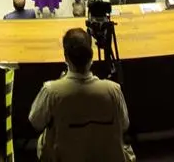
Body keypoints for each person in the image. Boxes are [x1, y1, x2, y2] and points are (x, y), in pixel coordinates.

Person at [28, 28, 131, 162]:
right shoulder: (114, 90)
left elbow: (36, 122)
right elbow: (124, 125)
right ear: (91, 56)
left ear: (66, 57)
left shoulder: (51, 91)